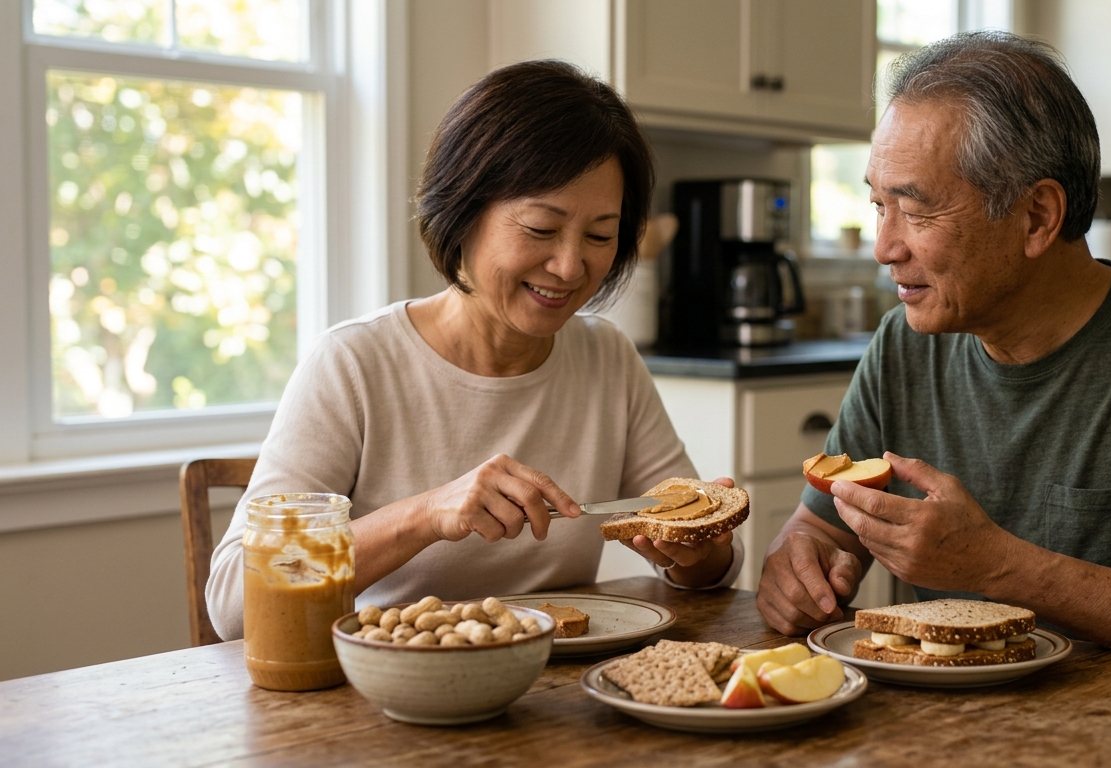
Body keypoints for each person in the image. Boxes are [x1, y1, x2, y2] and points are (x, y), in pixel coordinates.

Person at [756, 32, 1111, 667]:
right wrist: (799, 563)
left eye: (916, 212)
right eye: (879, 207)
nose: (884, 248)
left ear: (1037, 217)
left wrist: (999, 568)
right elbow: (821, 526)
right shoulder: (903, 344)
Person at [208, 61, 739, 640]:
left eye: (599, 235)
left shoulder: (606, 358)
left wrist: (695, 550)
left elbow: (708, 573)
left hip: (552, 698)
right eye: (540, 228)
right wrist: (426, 514)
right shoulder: (354, 364)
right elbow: (238, 600)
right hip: (385, 696)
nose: (569, 266)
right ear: (462, 212)